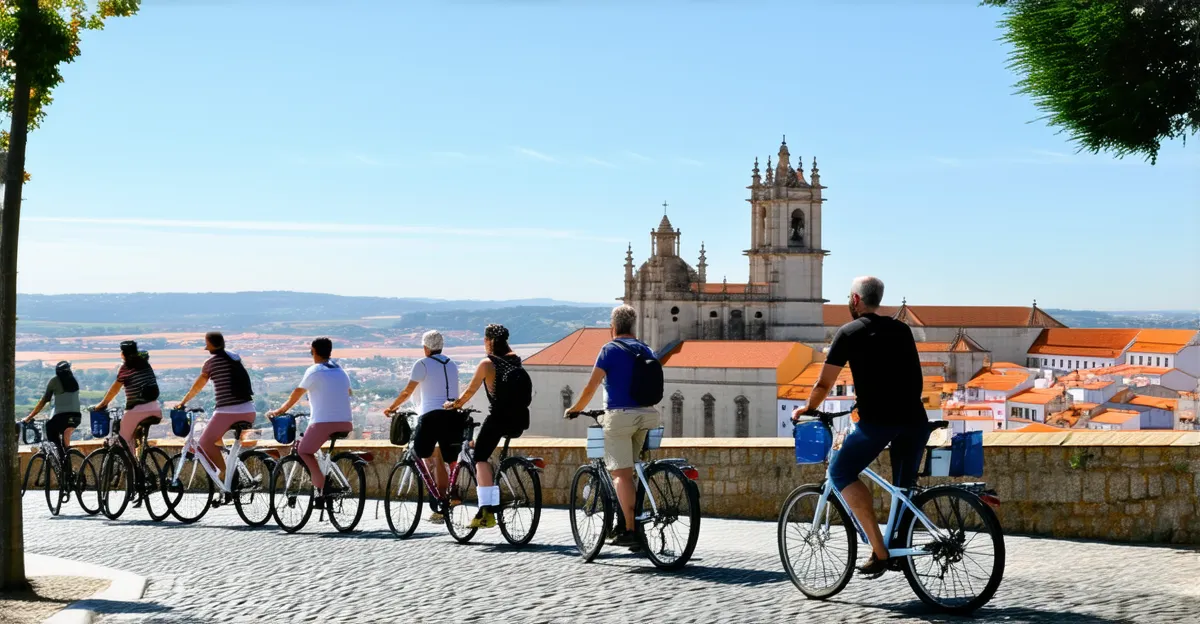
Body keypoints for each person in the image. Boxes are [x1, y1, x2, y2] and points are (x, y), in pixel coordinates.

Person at [792, 276, 929, 578]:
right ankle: (899, 549)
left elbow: (825, 382)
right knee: (903, 490)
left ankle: (880, 552)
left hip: (879, 421)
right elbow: (914, 379)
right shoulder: (902, 329)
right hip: (915, 420)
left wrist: (809, 408)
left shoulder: (849, 332)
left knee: (840, 472)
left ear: (855, 300)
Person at [565, 305, 661, 550]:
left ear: (613, 327)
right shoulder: (645, 348)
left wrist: (575, 408)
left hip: (620, 416)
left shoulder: (609, 349)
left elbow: (591, 387)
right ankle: (634, 519)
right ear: (633, 326)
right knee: (633, 471)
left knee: (620, 474)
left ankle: (630, 530)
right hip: (648, 415)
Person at [447, 324, 531, 529]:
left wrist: (453, 405)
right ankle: (494, 491)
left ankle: (486, 512)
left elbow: (469, 391)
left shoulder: (488, 363)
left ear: (489, 341)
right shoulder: (515, 361)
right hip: (519, 419)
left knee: (480, 458)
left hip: (498, 419)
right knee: (483, 446)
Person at [383, 330, 460, 525]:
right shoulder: (452, 364)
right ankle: (446, 499)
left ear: (426, 348)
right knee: (444, 458)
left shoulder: (422, 364)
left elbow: (407, 391)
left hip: (431, 415)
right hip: (452, 415)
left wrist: (392, 408)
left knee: (423, 454)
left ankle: (437, 499)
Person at [267, 337, 353, 507]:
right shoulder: (341, 370)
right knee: (315, 449)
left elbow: (296, 395)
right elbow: (348, 393)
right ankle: (326, 483)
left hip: (323, 422)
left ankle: (322, 487)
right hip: (346, 422)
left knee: (304, 451)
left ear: (313, 351)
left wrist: (278, 412)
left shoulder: (314, 371)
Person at [175, 332, 256, 483]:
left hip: (227, 412)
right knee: (216, 439)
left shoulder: (210, 363)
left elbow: (197, 386)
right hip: (249, 410)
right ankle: (232, 471)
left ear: (210, 344)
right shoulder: (234, 358)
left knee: (205, 443)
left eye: (206, 343)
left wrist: (183, 402)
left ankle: (225, 473)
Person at [96, 341, 162, 454]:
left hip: (137, 411)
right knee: (134, 436)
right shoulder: (145, 364)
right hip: (155, 409)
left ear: (123, 354)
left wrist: (102, 405)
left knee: (123, 440)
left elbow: (114, 389)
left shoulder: (126, 368)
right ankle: (139, 463)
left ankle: (130, 469)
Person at [24, 361, 82, 468]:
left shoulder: (54, 381)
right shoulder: (74, 381)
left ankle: (61, 456)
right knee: (66, 434)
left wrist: (29, 417)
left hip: (61, 417)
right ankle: (67, 458)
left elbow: (44, 401)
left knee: (50, 428)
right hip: (76, 417)